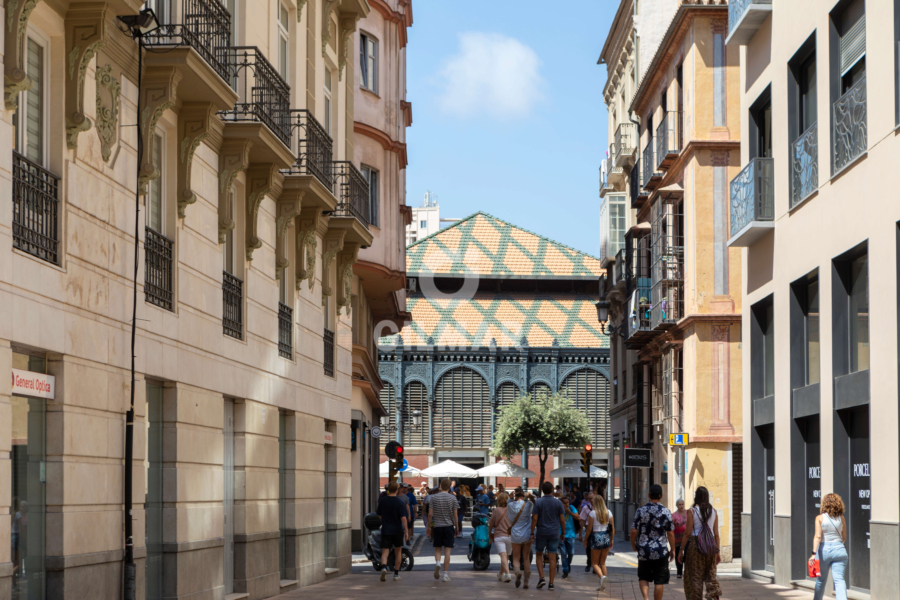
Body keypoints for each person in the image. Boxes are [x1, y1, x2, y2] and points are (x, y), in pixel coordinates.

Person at [631, 484, 675, 600]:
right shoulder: (666, 512)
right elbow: (670, 533)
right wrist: (673, 549)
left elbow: (634, 531)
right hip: (660, 551)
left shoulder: (640, 510)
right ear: (661, 496)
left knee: (643, 577)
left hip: (644, 550)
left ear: (649, 495)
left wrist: (633, 544)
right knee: (659, 580)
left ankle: (646, 599)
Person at [678, 486, 722, 600]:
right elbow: (717, 534)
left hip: (695, 545)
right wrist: (718, 552)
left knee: (695, 576)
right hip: (711, 546)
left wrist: (681, 550)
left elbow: (687, 533)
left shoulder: (692, 511)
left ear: (696, 497)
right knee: (711, 574)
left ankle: (695, 597)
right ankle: (713, 594)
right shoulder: (714, 511)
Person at [811, 493, 848, 600]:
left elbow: (818, 537)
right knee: (839, 580)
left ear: (824, 504)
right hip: (840, 550)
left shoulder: (819, 518)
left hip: (824, 551)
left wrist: (813, 554)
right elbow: (844, 537)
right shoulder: (842, 518)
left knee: (821, 580)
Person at [531, 481, 566, 590]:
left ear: (542, 490)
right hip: (554, 532)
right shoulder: (558, 503)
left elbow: (534, 519)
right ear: (552, 490)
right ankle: (551, 583)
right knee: (552, 557)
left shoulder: (538, 502)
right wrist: (563, 532)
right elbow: (562, 520)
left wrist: (531, 533)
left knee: (539, 555)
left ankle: (541, 578)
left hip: (541, 532)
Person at [426, 478, 461, 582]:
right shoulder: (452, 498)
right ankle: (445, 575)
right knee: (447, 551)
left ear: (440, 486)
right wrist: (457, 527)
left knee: (437, 549)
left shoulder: (434, 497)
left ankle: (438, 563)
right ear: (450, 486)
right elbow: (455, 515)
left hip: (437, 526)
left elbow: (430, 514)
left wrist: (429, 527)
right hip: (449, 526)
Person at [376, 482, 409, 582]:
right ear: (397, 489)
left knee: (385, 552)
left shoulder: (383, 501)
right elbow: (403, 518)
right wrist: (406, 531)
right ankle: (396, 574)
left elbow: (379, 516)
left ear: (388, 489)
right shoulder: (400, 502)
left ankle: (384, 568)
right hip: (397, 530)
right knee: (398, 552)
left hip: (386, 530)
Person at [584, 493, 614, 591]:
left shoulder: (592, 513)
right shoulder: (609, 512)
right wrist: (612, 539)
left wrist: (585, 539)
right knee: (603, 563)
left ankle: (602, 578)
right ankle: (603, 585)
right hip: (606, 536)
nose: (591, 502)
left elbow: (589, 529)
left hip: (596, 536)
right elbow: (612, 528)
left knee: (594, 563)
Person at [507, 488, 534, 589]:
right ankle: (526, 581)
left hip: (515, 534)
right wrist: (529, 496)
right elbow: (535, 501)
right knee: (526, 558)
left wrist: (510, 497)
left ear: (515, 495)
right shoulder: (528, 504)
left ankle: (518, 572)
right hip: (527, 534)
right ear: (523, 494)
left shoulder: (510, 505)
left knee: (516, 557)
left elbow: (508, 501)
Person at [489, 492, 513, 583]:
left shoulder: (496, 510)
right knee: (505, 557)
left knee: (503, 556)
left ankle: (507, 574)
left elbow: (491, 524)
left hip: (499, 536)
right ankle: (501, 574)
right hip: (510, 536)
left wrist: (490, 533)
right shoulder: (511, 510)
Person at [559, 497, 580, 579]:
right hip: (561, 534)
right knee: (563, 554)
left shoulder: (571, 508)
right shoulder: (558, 509)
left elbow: (578, 517)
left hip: (570, 534)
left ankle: (567, 564)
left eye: (567, 502)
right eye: (564, 503)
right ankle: (565, 570)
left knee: (571, 552)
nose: (566, 504)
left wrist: (569, 511)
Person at [579, 489, 595, 572]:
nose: (591, 500)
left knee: (597, 548)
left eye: (592, 498)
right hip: (589, 529)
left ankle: (596, 565)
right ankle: (589, 563)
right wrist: (580, 534)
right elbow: (582, 521)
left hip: (599, 530)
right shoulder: (586, 508)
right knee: (589, 547)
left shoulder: (601, 507)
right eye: (589, 499)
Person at [672, 499, 687, 579]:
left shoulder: (688, 513)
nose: (681, 506)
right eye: (679, 504)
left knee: (687, 554)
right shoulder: (674, 515)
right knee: (678, 554)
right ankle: (679, 572)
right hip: (677, 538)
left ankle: (687, 571)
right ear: (677, 505)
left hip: (688, 538)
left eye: (682, 504)